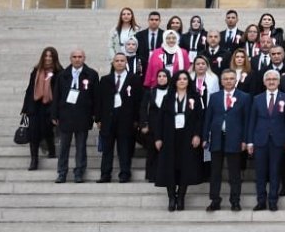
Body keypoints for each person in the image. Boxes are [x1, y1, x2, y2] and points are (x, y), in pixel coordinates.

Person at [152, 71, 203, 211]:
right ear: (174, 81)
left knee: (185, 166)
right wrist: (158, 138)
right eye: (179, 79)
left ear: (188, 81)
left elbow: (199, 118)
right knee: (169, 166)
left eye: (185, 79)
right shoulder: (168, 98)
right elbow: (160, 119)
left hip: (187, 137)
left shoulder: (195, 97)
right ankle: (171, 197)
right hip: (169, 137)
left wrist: (197, 135)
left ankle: (180, 197)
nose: (182, 81)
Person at [247, 70, 285, 211]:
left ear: (279, 81)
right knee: (260, 172)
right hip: (260, 140)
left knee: (275, 171)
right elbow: (252, 121)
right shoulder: (257, 99)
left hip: (278, 141)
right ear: (264, 82)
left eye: (274, 79)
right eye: (269, 79)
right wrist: (250, 141)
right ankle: (261, 201)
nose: (271, 81)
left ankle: (273, 200)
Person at [204, 69, 251, 212]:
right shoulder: (215, 97)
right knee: (215, 172)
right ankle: (215, 200)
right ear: (221, 81)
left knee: (234, 172)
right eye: (226, 79)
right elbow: (208, 117)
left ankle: (235, 201)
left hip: (235, 138)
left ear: (236, 80)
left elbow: (247, 121)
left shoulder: (244, 97)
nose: (229, 81)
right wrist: (205, 137)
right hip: (217, 138)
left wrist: (245, 140)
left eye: (231, 78)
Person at [50, 48, 99, 184]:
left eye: (80, 57)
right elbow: (56, 96)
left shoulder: (92, 74)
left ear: (84, 58)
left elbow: (96, 97)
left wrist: (96, 116)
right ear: (70, 59)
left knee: (81, 146)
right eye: (74, 57)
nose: (77, 59)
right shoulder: (62, 75)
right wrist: (54, 114)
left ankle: (79, 172)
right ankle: (62, 173)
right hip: (65, 115)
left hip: (83, 115)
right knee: (64, 147)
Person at [96, 53, 142, 183]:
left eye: (122, 60)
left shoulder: (134, 79)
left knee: (124, 148)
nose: (119, 63)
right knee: (107, 149)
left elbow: (138, 101)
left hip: (126, 120)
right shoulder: (105, 80)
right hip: (108, 119)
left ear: (126, 62)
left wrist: (137, 119)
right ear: (113, 63)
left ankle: (125, 174)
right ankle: (105, 174)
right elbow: (99, 100)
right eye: (117, 60)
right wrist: (98, 119)